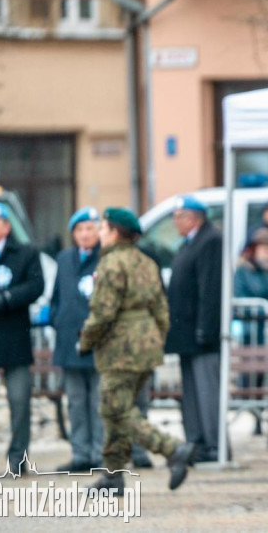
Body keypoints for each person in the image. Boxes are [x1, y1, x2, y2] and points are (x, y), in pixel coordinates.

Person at [78, 207, 196, 491]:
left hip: (121, 347)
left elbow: (104, 312)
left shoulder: (111, 264)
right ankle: (113, 475)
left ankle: (171, 449)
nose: (99, 233)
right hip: (146, 346)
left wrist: (86, 340)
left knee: (116, 409)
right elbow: (161, 310)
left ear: (115, 232)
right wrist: (155, 339)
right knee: (118, 409)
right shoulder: (147, 262)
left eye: (103, 228)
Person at [0, 202, 44, 477]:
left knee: (19, 402)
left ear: (6, 227)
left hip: (14, 337)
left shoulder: (26, 253)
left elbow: (35, 285)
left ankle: (17, 458)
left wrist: (6, 299)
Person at [165, 195, 225, 464]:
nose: (176, 222)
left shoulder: (210, 241)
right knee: (192, 392)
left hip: (202, 334)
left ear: (192, 218)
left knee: (206, 390)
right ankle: (197, 442)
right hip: (186, 333)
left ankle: (213, 445)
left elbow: (210, 290)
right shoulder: (190, 243)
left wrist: (206, 329)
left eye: (178, 217)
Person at [49, 207, 105, 471]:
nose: (85, 234)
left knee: (98, 400)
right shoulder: (64, 258)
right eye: (80, 230)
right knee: (76, 401)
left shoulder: (106, 257)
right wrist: (57, 320)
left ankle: (99, 453)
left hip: (97, 341)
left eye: (90, 229)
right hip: (69, 340)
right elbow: (58, 295)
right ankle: (80, 452)